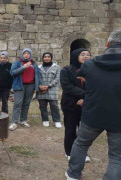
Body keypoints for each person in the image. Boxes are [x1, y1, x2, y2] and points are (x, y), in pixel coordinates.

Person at [65, 30, 121, 180]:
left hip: (93, 113)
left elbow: (83, 79)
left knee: (81, 144)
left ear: (108, 44)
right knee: (117, 156)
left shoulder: (90, 64)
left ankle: (73, 175)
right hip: (118, 117)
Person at [60, 48, 91, 162]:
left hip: (87, 104)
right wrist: (86, 94)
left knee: (84, 131)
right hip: (70, 105)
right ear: (76, 56)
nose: (86, 56)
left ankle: (83, 153)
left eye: (88, 54)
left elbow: (96, 86)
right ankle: (69, 152)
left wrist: (86, 98)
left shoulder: (93, 70)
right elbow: (67, 87)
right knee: (71, 130)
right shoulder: (66, 70)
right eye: (83, 54)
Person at [9, 48, 42, 130]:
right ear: (22, 54)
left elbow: (37, 75)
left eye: (28, 53)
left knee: (26, 104)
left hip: (31, 85)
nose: (26, 55)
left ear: (30, 55)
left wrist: (37, 86)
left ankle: (23, 120)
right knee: (17, 104)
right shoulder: (17, 62)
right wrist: (23, 67)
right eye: (25, 53)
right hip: (19, 85)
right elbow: (12, 73)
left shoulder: (33, 63)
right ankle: (14, 122)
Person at [36, 52, 62, 128]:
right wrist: (40, 86)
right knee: (42, 106)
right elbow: (37, 78)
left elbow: (57, 78)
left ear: (51, 58)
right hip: (41, 90)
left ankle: (57, 121)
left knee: (54, 106)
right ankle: (45, 120)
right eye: (45, 57)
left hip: (52, 90)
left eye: (48, 56)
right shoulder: (39, 67)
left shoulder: (56, 67)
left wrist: (48, 86)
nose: (46, 58)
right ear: (43, 58)